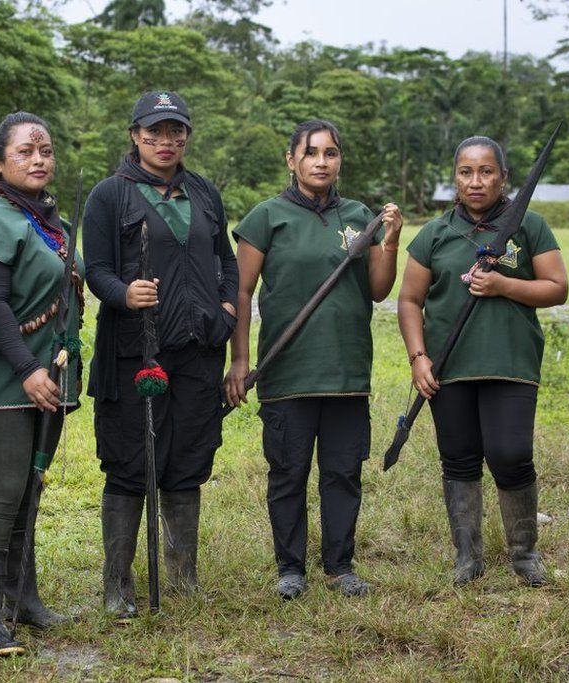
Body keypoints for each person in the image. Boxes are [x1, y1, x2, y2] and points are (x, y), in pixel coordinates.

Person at [225, 120, 404, 599]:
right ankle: (291, 568)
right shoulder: (266, 216)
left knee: (343, 472)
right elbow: (240, 292)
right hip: (288, 373)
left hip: (346, 374)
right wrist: (239, 360)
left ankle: (340, 566)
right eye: (311, 153)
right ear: (292, 160)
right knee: (288, 473)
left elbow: (379, 289)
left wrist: (389, 241)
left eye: (330, 153)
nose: (321, 162)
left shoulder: (358, 215)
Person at [83, 91, 238, 620]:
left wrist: (226, 310)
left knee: (188, 459)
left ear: (187, 136)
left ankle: (184, 576)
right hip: (135, 353)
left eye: (176, 132)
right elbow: (95, 267)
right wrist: (124, 293)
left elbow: (228, 262)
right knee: (130, 462)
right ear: (135, 134)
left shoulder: (204, 192)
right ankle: (117, 584)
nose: (166, 141)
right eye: (154, 131)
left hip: (198, 350)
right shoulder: (109, 196)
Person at [397, 136, 568, 587]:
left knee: (511, 455)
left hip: (511, 363)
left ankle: (524, 553)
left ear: (503, 178)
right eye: (466, 172)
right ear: (454, 179)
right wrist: (418, 357)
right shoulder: (433, 234)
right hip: (448, 366)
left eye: (487, 171)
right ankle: (467, 556)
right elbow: (410, 301)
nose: (476, 181)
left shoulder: (528, 225)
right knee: (458, 458)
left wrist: (504, 285)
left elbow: (556, 288)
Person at [0, 112, 82, 655]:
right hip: (2, 384)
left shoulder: (51, 221)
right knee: (1, 494)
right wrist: (27, 371)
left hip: (47, 381)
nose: (38, 160)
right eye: (25, 152)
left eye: (46, 150)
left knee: (30, 490)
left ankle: (21, 598)